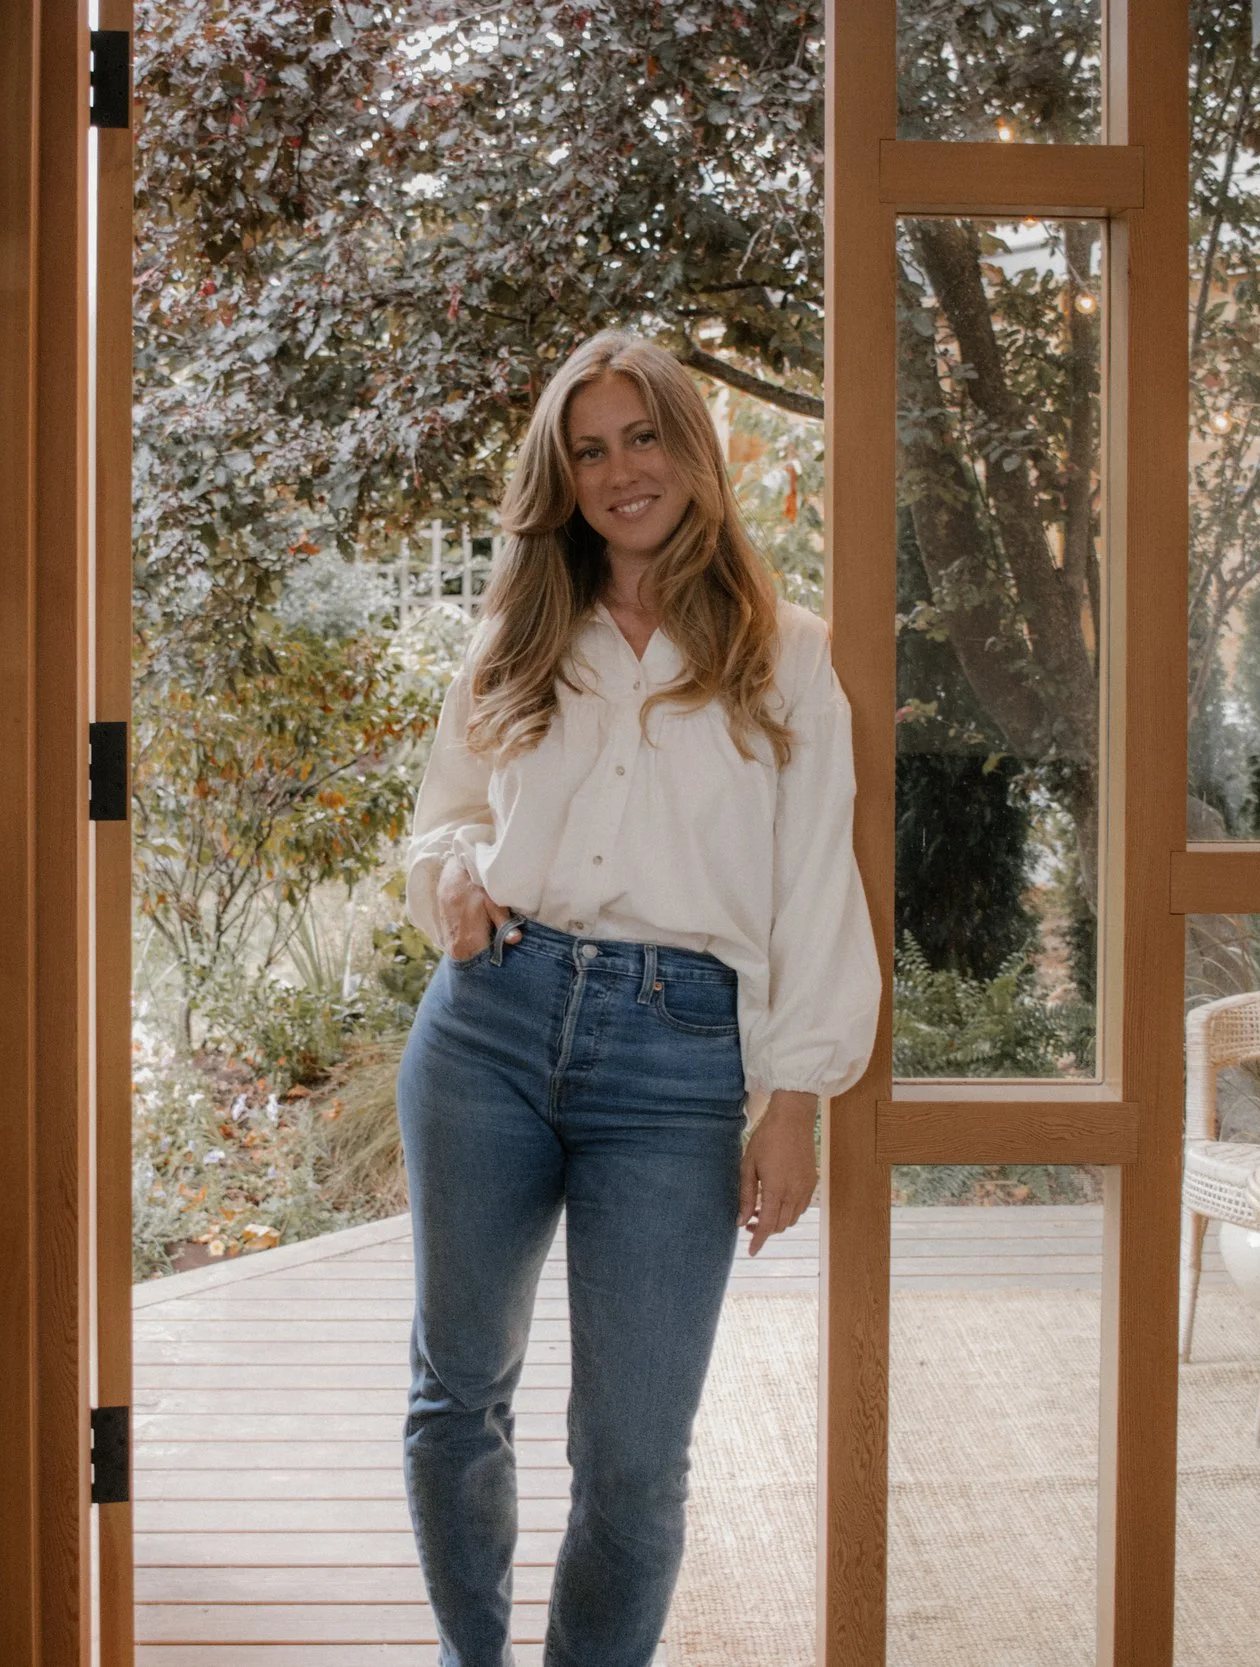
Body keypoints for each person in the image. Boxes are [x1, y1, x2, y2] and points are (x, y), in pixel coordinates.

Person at [397, 329, 881, 1667]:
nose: (621, 471)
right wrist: (449, 883)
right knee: (457, 1395)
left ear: (691, 450)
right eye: (590, 449)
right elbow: (442, 822)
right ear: (562, 480)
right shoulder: (518, 634)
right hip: (489, 1023)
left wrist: (798, 1103)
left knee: (634, 1460)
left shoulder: (786, 658)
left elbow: (812, 889)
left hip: (678, 1061)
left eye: (642, 437)